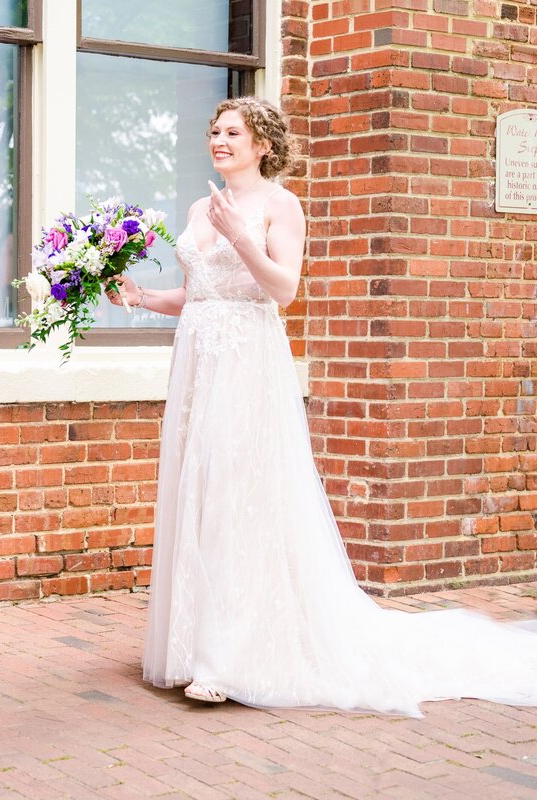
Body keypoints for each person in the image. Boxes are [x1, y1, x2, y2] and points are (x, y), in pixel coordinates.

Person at [108, 97, 537, 715]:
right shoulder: (203, 206)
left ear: (263, 145)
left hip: (248, 366)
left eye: (234, 132)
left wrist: (241, 239)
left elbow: (283, 290)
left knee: (239, 498)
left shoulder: (279, 205)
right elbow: (200, 292)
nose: (220, 140)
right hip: (199, 363)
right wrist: (142, 297)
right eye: (215, 131)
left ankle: (226, 661)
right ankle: (191, 644)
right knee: (199, 493)